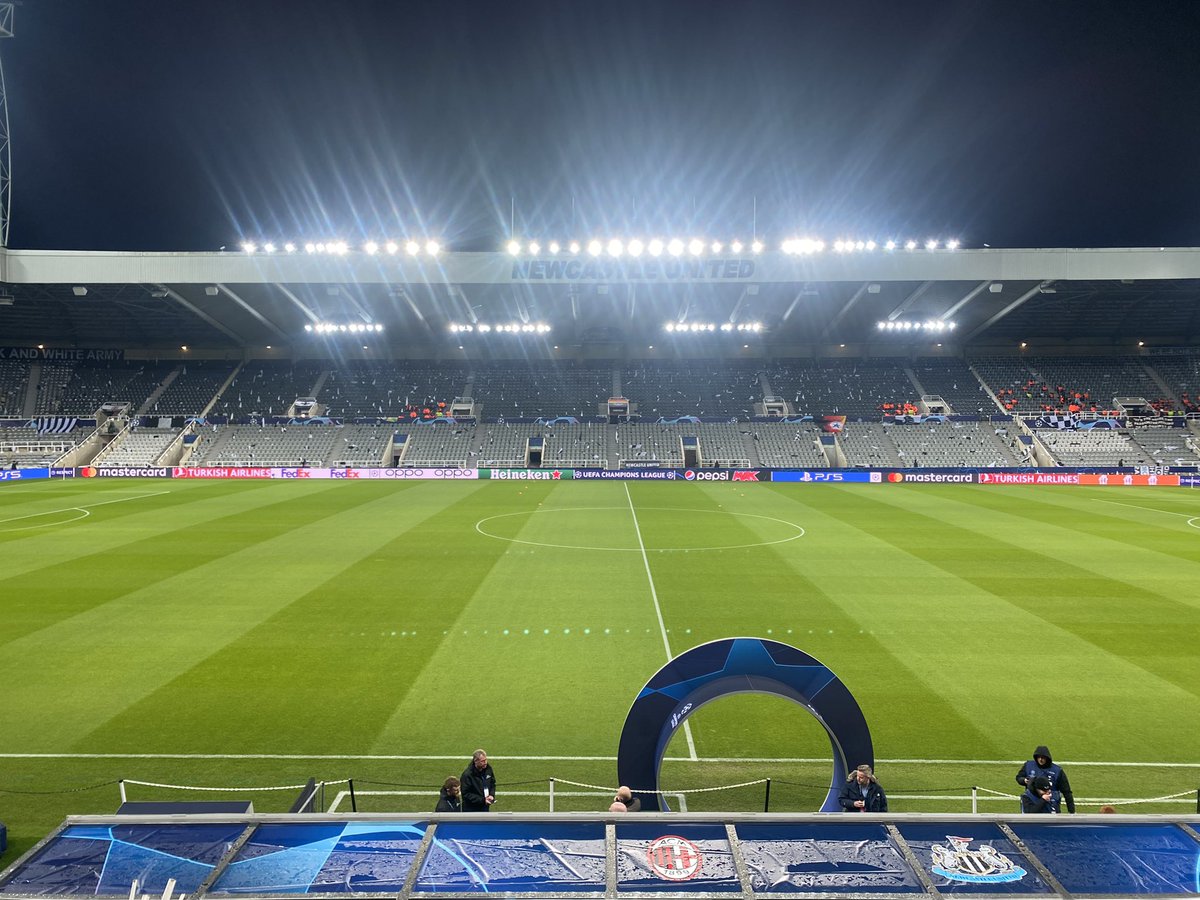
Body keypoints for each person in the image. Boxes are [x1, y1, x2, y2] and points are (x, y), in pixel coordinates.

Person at [1015, 745, 1075, 813]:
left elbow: (1067, 792)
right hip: (1033, 801)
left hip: (1051, 803)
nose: (1040, 759)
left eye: (1043, 757)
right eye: (1039, 757)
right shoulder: (1028, 765)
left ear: (1047, 758)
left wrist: (1071, 811)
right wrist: (1024, 780)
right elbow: (1018, 777)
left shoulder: (1057, 771)